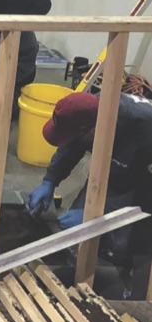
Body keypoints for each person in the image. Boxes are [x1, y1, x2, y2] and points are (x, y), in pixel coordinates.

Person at [27, 91, 152, 244]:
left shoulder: (145, 131)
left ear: (93, 129)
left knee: (126, 244)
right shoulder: (88, 110)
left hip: (143, 185)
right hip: (114, 170)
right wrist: (50, 181)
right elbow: (72, 146)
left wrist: (102, 216)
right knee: (73, 235)